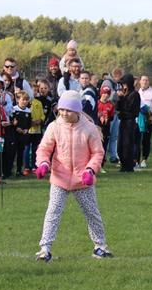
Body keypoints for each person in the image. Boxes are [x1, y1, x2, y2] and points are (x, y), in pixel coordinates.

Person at [34, 90, 111, 263]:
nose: (63, 113)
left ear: (77, 111)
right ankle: (45, 249)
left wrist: (90, 170)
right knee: (53, 212)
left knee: (92, 213)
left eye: (68, 110)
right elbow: (44, 148)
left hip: (82, 180)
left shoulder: (89, 128)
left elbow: (98, 153)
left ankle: (100, 246)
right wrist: (43, 163)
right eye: (61, 109)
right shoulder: (54, 126)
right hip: (59, 178)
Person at [116, 74, 140, 172]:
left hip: (130, 122)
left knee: (127, 144)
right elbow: (119, 107)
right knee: (120, 145)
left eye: (125, 84)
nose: (123, 86)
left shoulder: (134, 94)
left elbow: (130, 109)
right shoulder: (125, 93)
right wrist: (120, 98)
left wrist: (123, 98)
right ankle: (123, 164)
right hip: (123, 121)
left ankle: (129, 166)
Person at [136, 75, 152, 167]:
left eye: (146, 80)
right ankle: (136, 159)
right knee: (137, 140)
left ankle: (144, 159)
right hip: (138, 120)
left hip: (148, 120)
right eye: (143, 80)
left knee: (146, 140)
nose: (145, 82)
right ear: (140, 81)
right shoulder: (137, 92)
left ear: (149, 82)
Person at [11, 90, 33, 177]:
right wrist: (16, 128)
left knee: (21, 153)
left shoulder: (28, 111)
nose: (25, 102)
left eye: (26, 100)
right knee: (12, 152)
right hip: (14, 135)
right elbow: (12, 121)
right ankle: (9, 170)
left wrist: (26, 129)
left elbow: (29, 123)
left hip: (23, 135)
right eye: (23, 99)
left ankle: (19, 170)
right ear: (18, 100)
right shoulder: (14, 109)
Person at [97, 85, 115, 169]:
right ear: (101, 93)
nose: (106, 95)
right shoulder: (97, 103)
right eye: (104, 93)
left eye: (108, 94)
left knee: (104, 147)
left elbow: (112, 117)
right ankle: (95, 164)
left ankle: (102, 164)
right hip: (97, 128)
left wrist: (106, 118)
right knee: (97, 146)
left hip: (106, 128)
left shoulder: (111, 105)